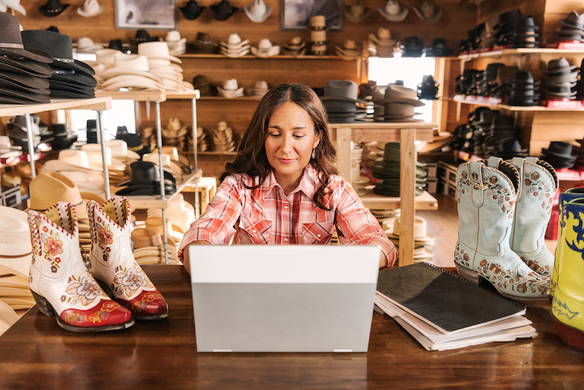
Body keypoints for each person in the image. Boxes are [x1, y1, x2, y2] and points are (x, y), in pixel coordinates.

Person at [179, 83, 397, 273]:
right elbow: (205, 232)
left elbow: (381, 245)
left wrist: (340, 266)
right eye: (274, 134)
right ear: (262, 136)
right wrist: (203, 256)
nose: (285, 148)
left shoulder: (334, 190)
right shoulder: (239, 186)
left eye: (298, 135)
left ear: (316, 138)